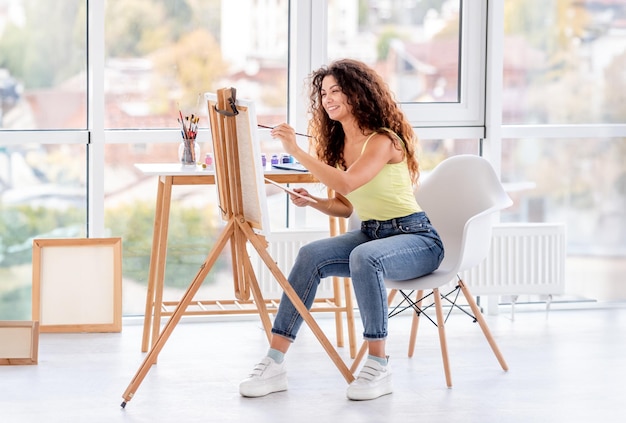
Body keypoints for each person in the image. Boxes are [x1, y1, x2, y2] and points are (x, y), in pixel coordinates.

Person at [239, 58, 444, 401]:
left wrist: (295, 151)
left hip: (417, 238)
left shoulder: (383, 140)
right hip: (372, 233)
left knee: (366, 257)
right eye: (323, 93)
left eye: (336, 90)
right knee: (310, 255)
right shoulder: (339, 147)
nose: (328, 98)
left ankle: (378, 365)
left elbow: (348, 184)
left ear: (358, 94)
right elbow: (345, 205)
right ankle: (274, 362)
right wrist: (313, 201)